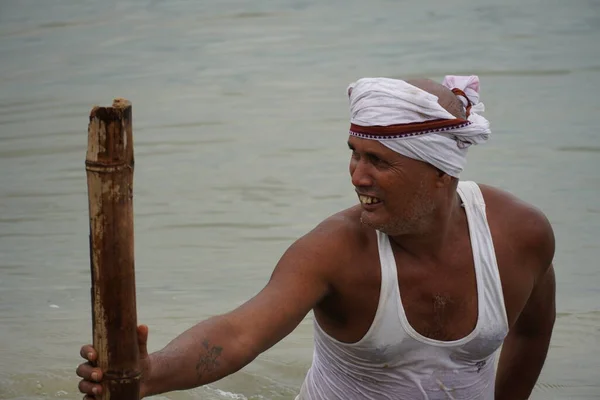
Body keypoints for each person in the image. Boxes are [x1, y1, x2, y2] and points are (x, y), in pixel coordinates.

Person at [77, 75, 556, 400]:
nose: (357, 177)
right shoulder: (334, 251)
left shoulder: (520, 235)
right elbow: (240, 333)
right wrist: (151, 373)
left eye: (379, 162)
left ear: (441, 172)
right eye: (354, 154)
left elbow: (532, 332)